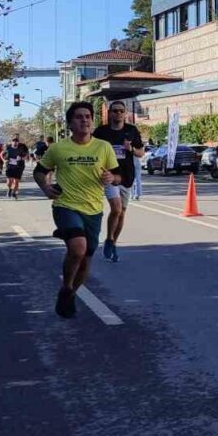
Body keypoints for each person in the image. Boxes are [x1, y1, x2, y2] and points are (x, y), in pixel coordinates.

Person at [34, 102, 119, 318]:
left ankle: (70, 292)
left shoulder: (103, 147)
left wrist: (112, 177)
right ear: (70, 123)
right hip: (66, 205)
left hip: (93, 209)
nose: (84, 120)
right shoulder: (58, 148)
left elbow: (119, 176)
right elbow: (39, 171)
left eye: (88, 116)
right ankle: (67, 286)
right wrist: (45, 187)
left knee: (86, 261)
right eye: (79, 117)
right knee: (78, 248)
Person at [92, 100, 146, 261]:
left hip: (127, 176)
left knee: (122, 213)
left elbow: (141, 152)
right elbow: (91, 150)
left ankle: (113, 242)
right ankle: (109, 238)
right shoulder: (101, 132)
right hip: (109, 175)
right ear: (109, 113)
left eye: (121, 111)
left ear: (125, 113)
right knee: (116, 209)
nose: (118, 114)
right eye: (115, 111)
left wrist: (131, 149)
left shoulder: (131, 130)